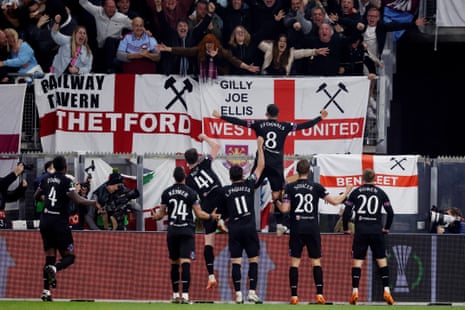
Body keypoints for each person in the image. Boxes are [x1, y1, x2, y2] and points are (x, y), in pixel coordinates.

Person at [212, 104, 328, 233]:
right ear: (277, 115)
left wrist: (221, 116)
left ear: (266, 114)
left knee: (246, 188)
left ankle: (228, 217)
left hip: (261, 164)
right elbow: (303, 126)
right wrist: (320, 118)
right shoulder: (285, 126)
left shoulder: (259, 124)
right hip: (275, 166)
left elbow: (241, 122)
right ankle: (281, 224)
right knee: (277, 195)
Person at [277, 159, 352, 305]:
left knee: (294, 263)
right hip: (312, 228)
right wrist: (347, 191)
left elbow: (285, 209)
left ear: (297, 171)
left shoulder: (290, 187)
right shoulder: (316, 187)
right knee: (316, 262)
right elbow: (336, 202)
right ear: (310, 171)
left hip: (297, 228)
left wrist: (276, 201)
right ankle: (319, 295)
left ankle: (294, 296)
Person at [151, 166, 220, 304]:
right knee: (186, 262)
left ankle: (176, 295)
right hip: (187, 231)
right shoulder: (191, 193)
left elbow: (161, 214)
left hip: (173, 231)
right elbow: (199, 214)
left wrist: (155, 217)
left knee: (174, 263)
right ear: (184, 177)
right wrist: (212, 217)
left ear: (174, 177)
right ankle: (186, 296)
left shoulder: (166, 193)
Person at [33, 155, 97, 302]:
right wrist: (93, 202)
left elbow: (37, 196)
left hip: (45, 221)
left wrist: (47, 200)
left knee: (50, 256)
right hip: (59, 222)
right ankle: (55, 269)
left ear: (54, 166)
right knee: (69, 256)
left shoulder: (45, 179)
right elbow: (77, 199)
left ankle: (46, 292)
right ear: (65, 167)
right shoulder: (66, 181)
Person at [219, 136, 265, 304]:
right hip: (249, 228)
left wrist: (221, 222)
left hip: (235, 229)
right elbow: (260, 167)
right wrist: (260, 147)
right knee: (254, 260)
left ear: (230, 177)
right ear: (243, 175)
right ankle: (252, 292)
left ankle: (238, 294)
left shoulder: (226, 190)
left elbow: (221, 213)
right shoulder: (248, 185)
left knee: (235, 262)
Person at [342, 168, 395, 305]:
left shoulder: (356, 192)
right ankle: (387, 290)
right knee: (382, 261)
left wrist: (346, 228)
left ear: (362, 178)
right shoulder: (381, 193)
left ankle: (355, 291)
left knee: (357, 262)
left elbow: (347, 212)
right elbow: (390, 212)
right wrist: (387, 228)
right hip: (377, 231)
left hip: (361, 231)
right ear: (375, 179)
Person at [184, 133, 224, 290]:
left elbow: (194, 201)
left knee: (209, 243)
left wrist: (200, 216)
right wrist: (204, 137)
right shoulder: (205, 163)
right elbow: (217, 146)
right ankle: (223, 220)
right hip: (219, 195)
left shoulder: (188, 180)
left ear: (187, 163)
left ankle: (211, 276)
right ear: (198, 157)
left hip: (207, 206)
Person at [157, 33, 260, 81]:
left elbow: (234, 60)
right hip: (204, 80)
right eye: (207, 43)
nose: (209, 45)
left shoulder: (221, 51)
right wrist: (168, 49)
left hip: (220, 79)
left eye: (211, 43)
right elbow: (185, 51)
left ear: (215, 44)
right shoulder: (200, 50)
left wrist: (247, 67)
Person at [78, 0, 132, 73]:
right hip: (101, 47)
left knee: (109, 40)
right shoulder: (98, 11)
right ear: (104, 7)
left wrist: (146, 32)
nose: (111, 9)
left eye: (113, 7)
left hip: (116, 47)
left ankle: (109, 68)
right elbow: (83, 3)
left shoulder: (122, 18)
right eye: (109, 7)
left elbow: (135, 26)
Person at [258, 33, 329, 75]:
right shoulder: (270, 49)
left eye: (284, 42)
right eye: (280, 41)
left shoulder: (290, 53)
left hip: (281, 83)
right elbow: (260, 43)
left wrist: (315, 51)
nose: (282, 43)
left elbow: (303, 52)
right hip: (266, 82)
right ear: (277, 43)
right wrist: (272, 42)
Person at [0, 162, 27, 229]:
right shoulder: (2, 183)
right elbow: (2, 184)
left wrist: (21, 188)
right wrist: (14, 174)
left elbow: (11, 197)